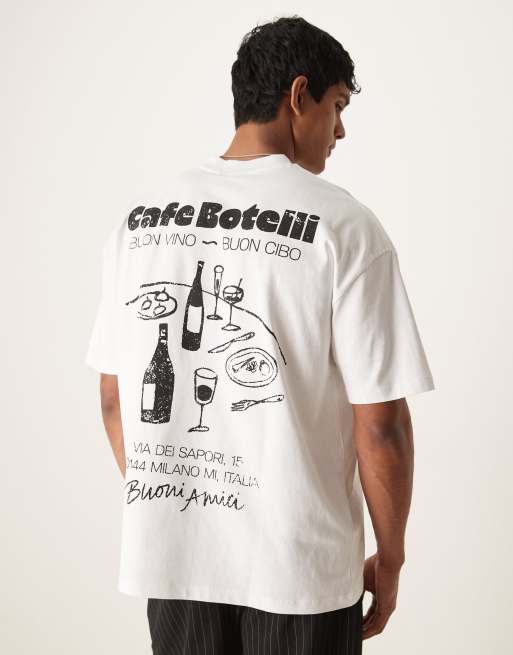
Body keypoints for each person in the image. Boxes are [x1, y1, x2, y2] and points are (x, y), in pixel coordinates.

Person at [85, 15, 435, 655]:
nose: (340, 130)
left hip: (175, 566)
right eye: (337, 106)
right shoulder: (345, 226)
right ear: (299, 96)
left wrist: (172, 501)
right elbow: (381, 424)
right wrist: (391, 559)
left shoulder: (138, 225)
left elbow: (115, 399)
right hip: (300, 571)